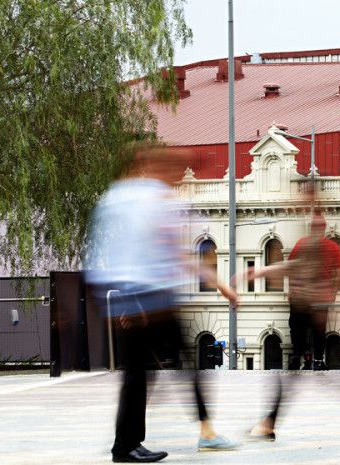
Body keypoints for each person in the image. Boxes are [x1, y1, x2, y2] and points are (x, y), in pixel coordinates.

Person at [86, 146, 240, 463]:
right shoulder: (149, 199)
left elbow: (104, 251)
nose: (176, 178)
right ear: (153, 166)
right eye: (173, 171)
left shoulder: (117, 197)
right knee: (165, 369)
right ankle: (136, 443)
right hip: (147, 299)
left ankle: (129, 443)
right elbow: (159, 252)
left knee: (143, 372)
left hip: (140, 297)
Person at [247, 207, 340, 440]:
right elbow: (329, 271)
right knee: (300, 362)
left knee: (298, 364)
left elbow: (321, 271)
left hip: (309, 305)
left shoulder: (312, 244)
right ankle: (271, 420)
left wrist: (319, 292)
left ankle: (270, 420)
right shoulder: (319, 246)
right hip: (309, 304)